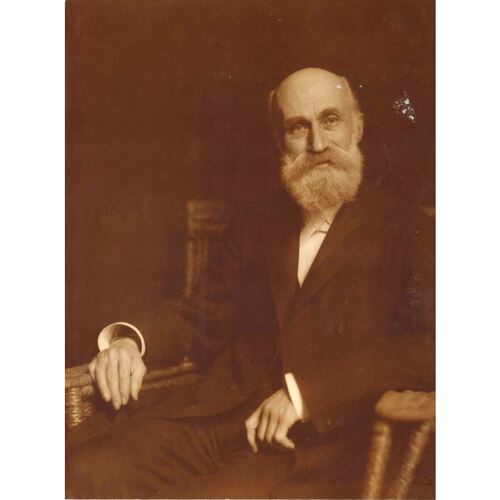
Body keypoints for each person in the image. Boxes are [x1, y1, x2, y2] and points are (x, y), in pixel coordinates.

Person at [66, 67, 435, 498]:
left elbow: (429, 346)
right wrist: (130, 341)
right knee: (84, 470)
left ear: (358, 127)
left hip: (320, 439)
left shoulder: (406, 225)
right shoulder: (259, 219)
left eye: (330, 120)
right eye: (298, 127)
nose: (318, 144)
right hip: (222, 414)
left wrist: (306, 394)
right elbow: (202, 314)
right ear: (280, 141)